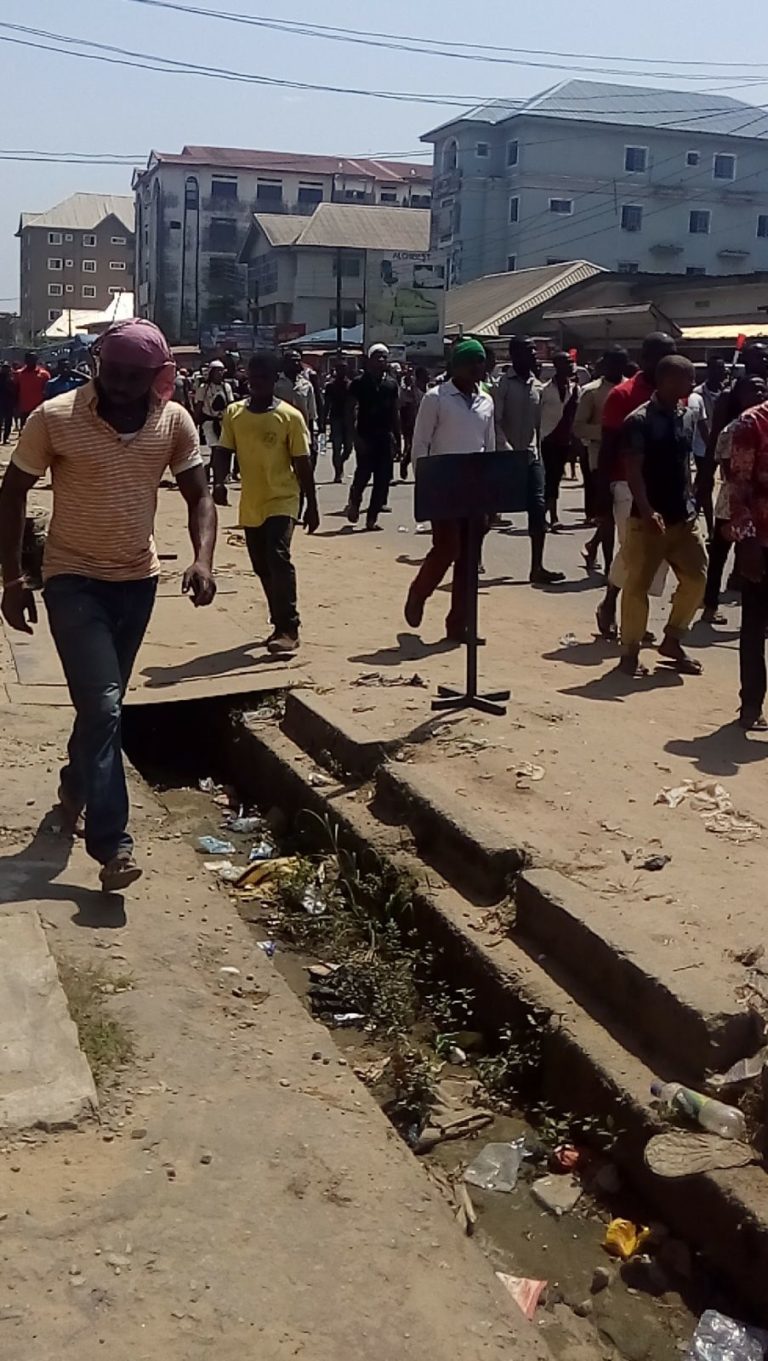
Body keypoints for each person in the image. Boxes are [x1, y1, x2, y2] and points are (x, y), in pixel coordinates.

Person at [0, 319, 216, 891]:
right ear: (98, 365)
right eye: (113, 371)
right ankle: (113, 845)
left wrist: (203, 560)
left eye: (135, 375)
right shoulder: (56, 416)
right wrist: (13, 578)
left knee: (103, 709)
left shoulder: (174, 421)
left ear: (158, 375)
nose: (121, 384)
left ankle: (76, 785)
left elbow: (200, 495)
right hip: (72, 580)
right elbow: (13, 491)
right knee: (104, 706)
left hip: (137, 582)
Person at [215, 350, 319, 656]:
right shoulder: (234, 414)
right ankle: (278, 623)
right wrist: (218, 482)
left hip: (283, 499)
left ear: (274, 381)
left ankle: (289, 626)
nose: (257, 384)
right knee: (261, 566)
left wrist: (311, 504)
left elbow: (303, 463)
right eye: (253, 378)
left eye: (264, 379)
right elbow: (223, 451)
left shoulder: (289, 416)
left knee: (278, 556)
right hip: (252, 502)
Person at [618, 355, 707, 680]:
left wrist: (693, 499)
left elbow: (685, 461)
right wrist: (646, 508)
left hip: (683, 517)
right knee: (637, 586)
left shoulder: (687, 415)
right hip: (648, 521)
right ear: (668, 380)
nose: (692, 385)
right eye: (689, 378)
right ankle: (629, 653)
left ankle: (673, 639)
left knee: (697, 579)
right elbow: (633, 471)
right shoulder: (638, 421)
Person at [403, 338, 495, 642]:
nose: (478, 368)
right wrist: (425, 483)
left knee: (469, 559)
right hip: (443, 484)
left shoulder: (486, 401)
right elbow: (420, 443)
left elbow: (489, 444)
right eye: (473, 362)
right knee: (448, 547)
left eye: (481, 362)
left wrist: (493, 488)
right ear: (458, 365)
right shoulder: (436, 398)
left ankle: (460, 625)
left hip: (476, 486)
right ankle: (419, 592)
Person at [595, 332, 678, 638]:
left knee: (657, 557)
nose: (667, 361)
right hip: (627, 485)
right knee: (635, 552)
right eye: (661, 355)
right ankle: (615, 608)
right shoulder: (622, 394)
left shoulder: (676, 393)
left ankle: (627, 613)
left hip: (667, 487)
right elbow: (608, 447)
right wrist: (600, 493)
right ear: (644, 359)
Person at [493, 336, 564, 585]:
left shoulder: (539, 387)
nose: (534, 355)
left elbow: (540, 424)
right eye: (528, 351)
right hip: (506, 458)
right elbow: (496, 421)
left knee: (537, 507)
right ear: (514, 356)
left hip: (532, 456)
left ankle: (537, 567)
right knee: (487, 512)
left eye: (534, 351)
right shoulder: (502, 385)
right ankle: (474, 558)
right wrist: (507, 449)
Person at [702, 377, 766, 625]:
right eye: (753, 389)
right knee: (720, 555)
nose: (759, 393)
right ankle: (710, 604)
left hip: (755, 505)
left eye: (762, 388)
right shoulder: (734, 429)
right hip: (732, 502)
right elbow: (733, 473)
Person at [725, 389, 768, 729]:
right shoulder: (751, 424)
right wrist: (747, 540)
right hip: (762, 541)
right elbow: (737, 487)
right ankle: (750, 705)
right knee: (754, 626)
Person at [574, 348, 629, 571]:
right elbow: (578, 427)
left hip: (628, 460)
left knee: (622, 515)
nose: (615, 368)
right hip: (601, 459)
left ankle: (592, 545)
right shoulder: (591, 392)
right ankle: (608, 565)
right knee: (607, 516)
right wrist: (607, 432)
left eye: (619, 363)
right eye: (611, 363)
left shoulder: (632, 389)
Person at [346, 343, 401, 532]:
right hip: (365, 436)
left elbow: (395, 413)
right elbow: (351, 411)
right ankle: (354, 500)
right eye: (377, 356)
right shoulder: (359, 383)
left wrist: (398, 439)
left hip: (385, 437)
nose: (381, 360)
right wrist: (355, 437)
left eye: (384, 357)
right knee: (363, 474)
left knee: (383, 479)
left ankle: (372, 518)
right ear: (368, 360)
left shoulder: (391, 384)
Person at [539, 352, 580, 530]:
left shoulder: (575, 388)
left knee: (555, 478)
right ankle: (550, 515)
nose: (571, 365)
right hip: (547, 438)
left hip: (565, 440)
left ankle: (548, 514)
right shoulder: (545, 390)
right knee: (549, 477)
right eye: (567, 362)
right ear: (557, 366)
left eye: (572, 362)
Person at [195, 360, 234, 493]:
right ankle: (217, 477)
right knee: (216, 449)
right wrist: (195, 422)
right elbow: (199, 406)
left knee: (221, 450)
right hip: (209, 422)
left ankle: (209, 469)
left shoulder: (226, 387)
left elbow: (230, 405)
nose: (219, 373)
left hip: (223, 422)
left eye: (221, 371)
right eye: (217, 371)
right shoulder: (203, 388)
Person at [275, 349, 318, 466]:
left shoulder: (306, 385)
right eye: (292, 361)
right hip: (280, 431)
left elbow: (311, 414)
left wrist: (311, 437)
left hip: (301, 430)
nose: (296, 364)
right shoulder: (276, 384)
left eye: (298, 361)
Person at [323, 359, 353, 483]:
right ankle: (338, 472)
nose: (341, 371)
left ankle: (340, 462)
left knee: (348, 448)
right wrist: (323, 421)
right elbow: (327, 404)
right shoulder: (330, 386)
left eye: (344, 369)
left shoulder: (351, 385)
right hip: (336, 419)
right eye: (339, 369)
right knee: (336, 447)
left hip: (349, 419)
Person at [398, 365, 423, 480]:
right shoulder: (410, 389)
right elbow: (403, 402)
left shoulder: (430, 388)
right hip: (412, 422)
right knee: (414, 446)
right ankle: (405, 462)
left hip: (427, 421)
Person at [15, 352, 51, 429]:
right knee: (24, 431)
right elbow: (15, 390)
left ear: (36, 360)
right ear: (25, 361)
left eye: (32, 359)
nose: (30, 361)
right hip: (24, 408)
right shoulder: (19, 374)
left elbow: (48, 391)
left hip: (39, 409)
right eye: (28, 359)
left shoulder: (44, 374)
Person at [0, 362, 15, 444]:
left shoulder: (11, 379)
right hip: (3, 403)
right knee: (5, 422)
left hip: (9, 404)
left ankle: (5, 438)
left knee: (8, 422)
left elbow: (14, 392)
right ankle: (4, 438)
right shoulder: (10, 379)